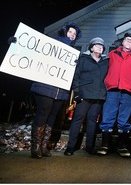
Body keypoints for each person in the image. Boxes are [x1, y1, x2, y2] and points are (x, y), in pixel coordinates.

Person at [30, 22, 82, 159]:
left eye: (75, 34)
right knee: (43, 113)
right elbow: (33, 51)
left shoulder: (74, 54)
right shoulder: (51, 44)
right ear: (64, 32)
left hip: (61, 91)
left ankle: (44, 145)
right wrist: (15, 43)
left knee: (52, 117)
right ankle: (35, 146)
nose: (72, 35)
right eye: (70, 32)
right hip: (45, 87)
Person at [97, 32, 131, 157]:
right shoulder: (111, 55)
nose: (129, 41)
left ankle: (122, 145)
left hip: (129, 91)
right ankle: (105, 144)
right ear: (122, 42)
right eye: (127, 40)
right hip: (112, 89)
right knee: (108, 116)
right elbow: (101, 70)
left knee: (124, 119)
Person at [64, 37, 109, 156]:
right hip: (84, 95)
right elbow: (76, 76)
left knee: (92, 121)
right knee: (77, 120)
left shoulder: (106, 62)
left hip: (98, 96)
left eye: (102, 46)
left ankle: (90, 146)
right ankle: (70, 147)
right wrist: (77, 92)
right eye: (97, 45)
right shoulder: (83, 59)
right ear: (91, 48)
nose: (100, 47)